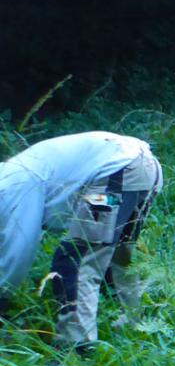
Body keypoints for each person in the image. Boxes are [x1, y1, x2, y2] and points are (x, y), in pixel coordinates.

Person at [1, 131, 164, 354]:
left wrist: (3, 295)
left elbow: (20, 248)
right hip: (141, 170)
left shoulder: (10, 184)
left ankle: (76, 348)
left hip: (115, 175)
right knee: (117, 256)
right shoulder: (14, 171)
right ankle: (137, 326)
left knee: (75, 258)